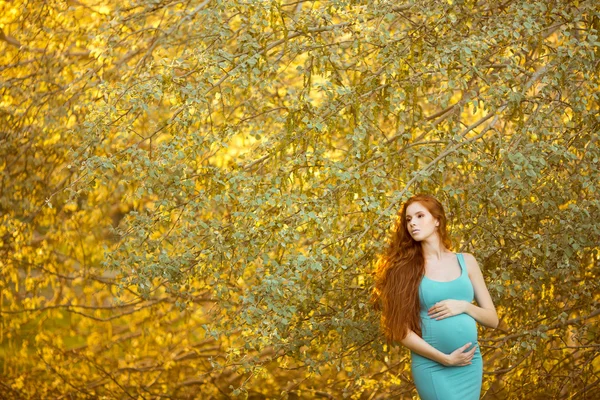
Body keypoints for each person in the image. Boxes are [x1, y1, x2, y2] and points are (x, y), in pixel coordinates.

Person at [372, 194, 499, 400]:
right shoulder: (404, 269)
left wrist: (464, 307)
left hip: (469, 363)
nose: (413, 223)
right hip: (433, 365)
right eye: (408, 219)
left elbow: (493, 319)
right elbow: (400, 331)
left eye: (420, 216)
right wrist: (446, 359)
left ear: (437, 220)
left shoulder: (467, 261)